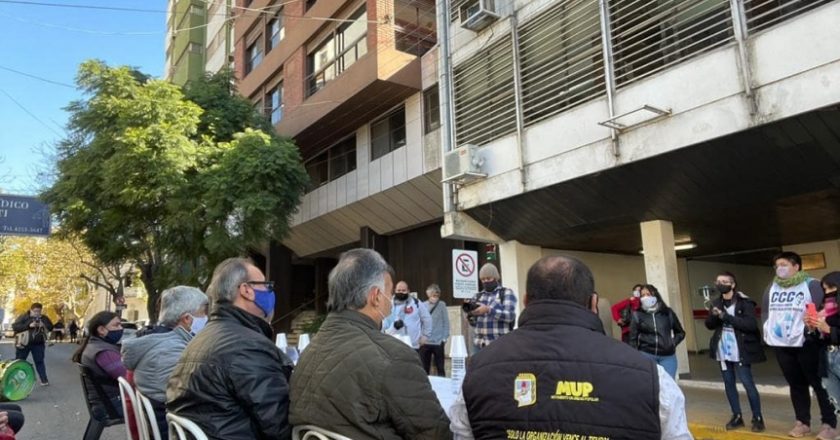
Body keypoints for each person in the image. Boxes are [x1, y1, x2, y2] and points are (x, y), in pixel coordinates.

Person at [449, 255, 691, 440]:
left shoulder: (477, 372)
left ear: (525, 301)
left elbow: (461, 432)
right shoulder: (651, 378)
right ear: (593, 302)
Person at [289, 249, 451, 439]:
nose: (391, 302)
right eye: (389, 294)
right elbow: (436, 434)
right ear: (375, 297)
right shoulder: (394, 356)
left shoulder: (307, 352)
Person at [166, 257, 293, 440]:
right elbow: (279, 427)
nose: (270, 292)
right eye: (267, 286)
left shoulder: (203, 337)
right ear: (246, 290)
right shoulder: (249, 347)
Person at [763, 251, 836, 439]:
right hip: (782, 344)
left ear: (796, 266)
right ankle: (802, 422)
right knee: (796, 385)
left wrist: (815, 326)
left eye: (784, 264)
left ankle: (829, 424)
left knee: (820, 385)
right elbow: (766, 312)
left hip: (807, 342)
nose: (780, 268)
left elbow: (826, 310)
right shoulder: (772, 287)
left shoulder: (812, 285)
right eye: (777, 265)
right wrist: (768, 331)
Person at [122, 286, 208, 437]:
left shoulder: (159, 342)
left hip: (164, 426)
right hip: (173, 432)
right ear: (187, 319)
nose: (206, 319)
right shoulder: (170, 352)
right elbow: (198, 400)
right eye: (203, 313)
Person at [704, 271, 765, 432]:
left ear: (732, 284)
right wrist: (714, 315)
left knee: (747, 383)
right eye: (717, 281)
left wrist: (725, 316)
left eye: (724, 281)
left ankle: (757, 417)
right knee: (729, 384)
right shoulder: (716, 302)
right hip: (722, 350)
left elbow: (751, 325)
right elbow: (709, 325)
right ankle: (736, 415)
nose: (719, 284)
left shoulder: (745, 302)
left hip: (741, 350)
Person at [72, 311, 126, 418]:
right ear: (101, 330)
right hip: (111, 405)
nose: (121, 328)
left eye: (120, 324)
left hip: (105, 402)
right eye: (116, 325)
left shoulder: (94, 346)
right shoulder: (104, 352)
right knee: (159, 406)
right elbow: (127, 378)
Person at [628, 284, 686, 379]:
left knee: (668, 385)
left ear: (655, 295)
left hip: (668, 356)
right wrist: (636, 356)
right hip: (647, 355)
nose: (645, 297)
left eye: (648, 294)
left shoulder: (667, 313)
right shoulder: (638, 315)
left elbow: (680, 332)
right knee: (653, 385)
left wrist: (672, 343)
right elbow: (632, 338)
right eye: (642, 295)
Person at [807, 273, 840, 426]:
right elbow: (817, 338)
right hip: (826, 356)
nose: (827, 293)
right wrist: (812, 327)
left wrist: (830, 330)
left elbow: (832, 330)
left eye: (831, 287)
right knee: (835, 399)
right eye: (824, 289)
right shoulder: (824, 310)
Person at [464, 263, 516, 352]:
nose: (486, 281)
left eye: (488, 278)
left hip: (500, 345)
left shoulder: (506, 293)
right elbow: (473, 323)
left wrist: (488, 310)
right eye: (483, 279)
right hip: (479, 345)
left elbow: (510, 316)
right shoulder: (477, 296)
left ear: (495, 278)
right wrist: (471, 314)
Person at [383, 281, 432, 352]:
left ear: (408, 291)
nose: (401, 292)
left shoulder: (416, 303)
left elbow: (427, 319)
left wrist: (425, 336)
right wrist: (394, 327)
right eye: (399, 290)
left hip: (413, 346)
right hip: (394, 345)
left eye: (403, 290)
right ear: (395, 291)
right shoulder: (389, 303)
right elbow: (384, 324)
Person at [12, 303, 53, 386]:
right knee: (20, 362)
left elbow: (51, 327)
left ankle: (44, 380)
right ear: (31, 310)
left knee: (39, 361)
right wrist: (28, 325)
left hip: (38, 344)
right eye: (35, 311)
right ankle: (15, 380)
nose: (37, 313)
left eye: (39, 311)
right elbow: (15, 327)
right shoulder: (24, 316)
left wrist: (43, 325)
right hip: (23, 343)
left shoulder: (44, 318)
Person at [420, 284, 450, 376]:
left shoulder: (442, 305)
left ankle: (443, 386)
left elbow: (446, 322)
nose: (435, 298)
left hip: (438, 342)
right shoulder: (423, 305)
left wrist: (444, 338)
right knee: (424, 368)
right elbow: (420, 322)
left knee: (440, 368)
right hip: (425, 342)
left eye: (437, 296)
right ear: (429, 295)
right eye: (433, 296)